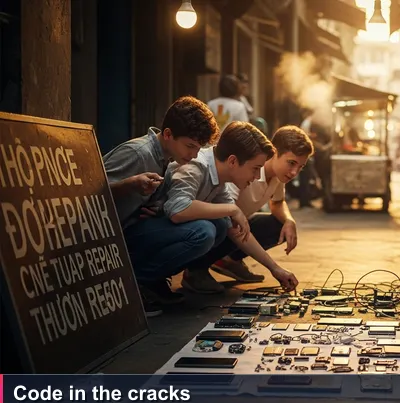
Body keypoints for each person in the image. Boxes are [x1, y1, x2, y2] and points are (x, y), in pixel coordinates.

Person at [102, 96, 220, 317]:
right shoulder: (138, 152)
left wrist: (157, 206)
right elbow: (85, 191)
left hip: (136, 228)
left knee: (218, 224)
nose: (194, 154)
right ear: (167, 134)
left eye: (198, 148)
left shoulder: (168, 158)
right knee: (202, 231)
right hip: (113, 239)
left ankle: (152, 282)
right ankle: (133, 285)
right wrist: (129, 184)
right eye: (190, 146)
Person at [173, 123, 304, 294]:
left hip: (219, 226)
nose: (257, 176)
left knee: (228, 223)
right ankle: (160, 279)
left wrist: (275, 268)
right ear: (233, 161)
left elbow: (236, 227)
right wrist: (232, 211)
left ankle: (229, 261)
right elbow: (176, 209)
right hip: (167, 234)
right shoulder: (196, 167)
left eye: (301, 167)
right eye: (255, 169)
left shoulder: (221, 183)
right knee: (213, 227)